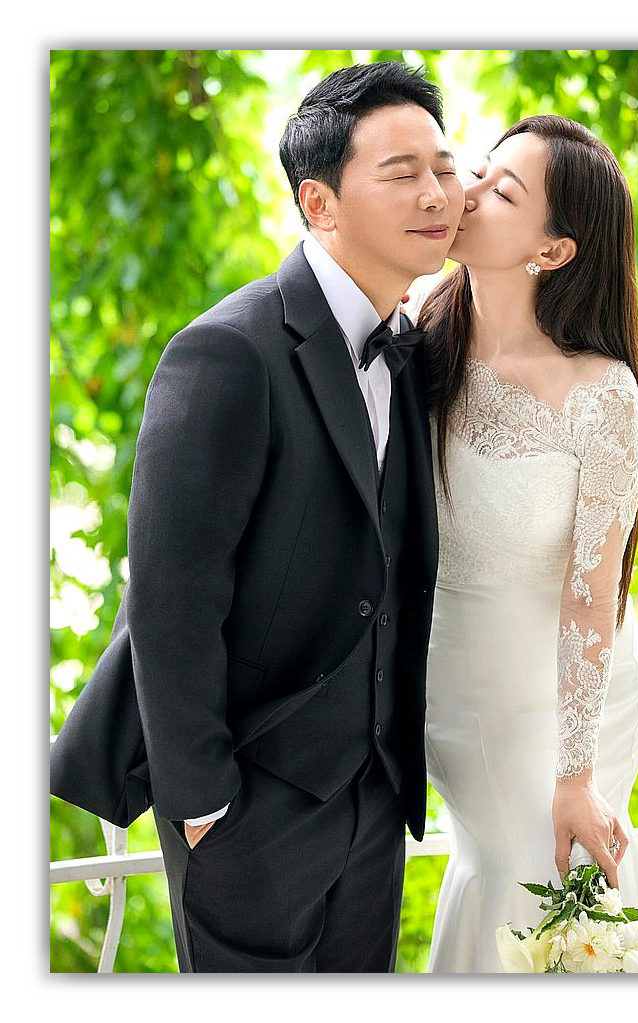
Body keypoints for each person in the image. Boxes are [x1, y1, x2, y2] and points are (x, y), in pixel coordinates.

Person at [50, 60, 464, 973]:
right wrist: (205, 804)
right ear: (319, 203)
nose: (438, 194)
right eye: (402, 173)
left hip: (374, 798)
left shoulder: (411, 350)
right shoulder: (226, 352)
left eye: (444, 167)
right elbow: (171, 597)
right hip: (250, 808)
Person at [415, 114, 638, 972]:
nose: (467, 192)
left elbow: (593, 590)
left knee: (552, 890)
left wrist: (575, 773)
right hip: (458, 685)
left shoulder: (601, 392)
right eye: (480, 171)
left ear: (552, 251)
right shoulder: (418, 339)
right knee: (497, 871)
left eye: (503, 192)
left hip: (571, 703)